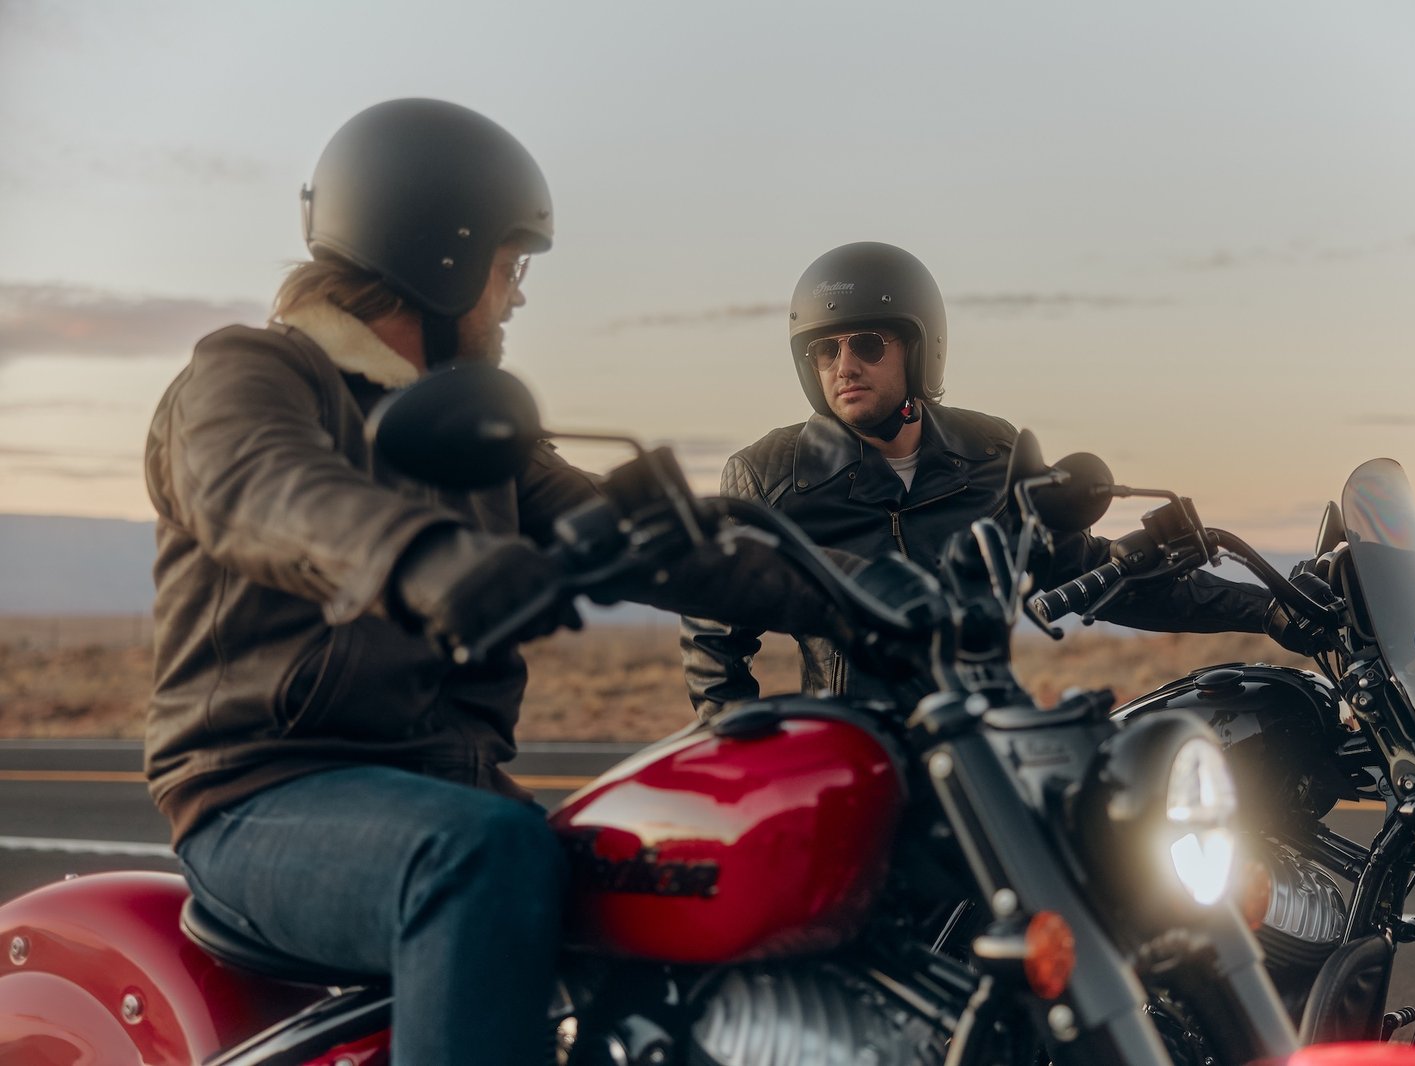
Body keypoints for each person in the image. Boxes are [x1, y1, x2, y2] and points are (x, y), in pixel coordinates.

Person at [143, 98, 834, 1066]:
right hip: (265, 793)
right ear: (439, 259)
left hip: (446, 788)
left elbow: (647, 541)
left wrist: (866, 583)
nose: (515, 298)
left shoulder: (471, 430)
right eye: (510, 269)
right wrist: (422, 558)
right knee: (480, 855)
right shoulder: (250, 376)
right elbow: (259, 484)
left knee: (671, 868)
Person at [681, 240, 1317, 718]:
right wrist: (746, 747)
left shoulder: (991, 456)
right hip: (855, 762)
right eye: (827, 350)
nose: (845, 365)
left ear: (917, 349)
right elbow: (714, 639)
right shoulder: (770, 479)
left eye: (868, 344)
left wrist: (1268, 607)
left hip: (986, 753)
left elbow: (1097, 577)